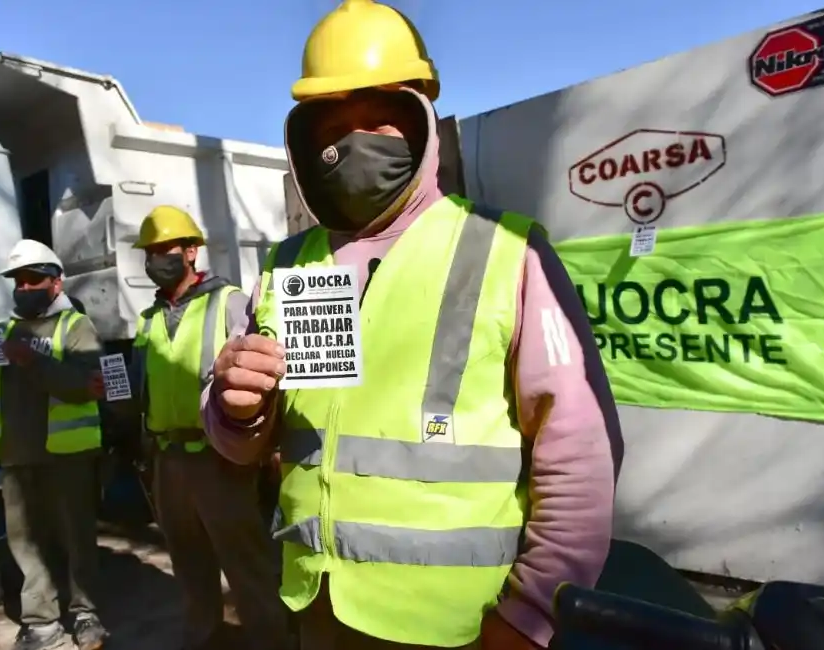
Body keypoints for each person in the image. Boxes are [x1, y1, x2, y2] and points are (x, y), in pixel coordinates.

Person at [201, 1, 625, 649]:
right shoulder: (286, 267)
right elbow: (242, 444)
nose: (354, 143)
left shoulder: (507, 250)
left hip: (462, 628)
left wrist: (530, 615)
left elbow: (579, 455)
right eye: (332, 126)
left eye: (380, 118)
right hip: (316, 607)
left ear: (422, 117)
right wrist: (234, 411)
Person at [124, 205, 289, 650]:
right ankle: (204, 638)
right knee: (188, 563)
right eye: (150, 252)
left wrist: (266, 450)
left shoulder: (230, 301)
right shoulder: (148, 319)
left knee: (246, 565)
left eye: (166, 249)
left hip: (219, 460)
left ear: (192, 252)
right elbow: (142, 388)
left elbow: (265, 374)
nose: (156, 259)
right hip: (166, 461)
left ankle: (271, 642)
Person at [0, 239, 108, 650]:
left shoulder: (76, 327)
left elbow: (88, 386)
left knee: (75, 537)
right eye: (18, 281)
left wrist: (31, 359)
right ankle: (41, 622)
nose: (25, 287)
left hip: (68, 455)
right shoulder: (0, 332)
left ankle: (85, 615)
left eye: (34, 279)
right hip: (17, 456)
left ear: (56, 283)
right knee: (26, 544)